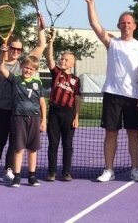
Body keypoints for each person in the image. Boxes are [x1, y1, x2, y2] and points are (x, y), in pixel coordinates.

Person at [85, 0, 138, 182]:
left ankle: (136, 169)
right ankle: (108, 170)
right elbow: (95, 25)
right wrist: (91, 3)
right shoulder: (112, 42)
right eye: (123, 22)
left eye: (129, 22)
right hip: (112, 94)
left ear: (135, 26)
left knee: (134, 134)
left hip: (133, 96)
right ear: (118, 26)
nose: (126, 25)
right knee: (111, 133)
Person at [0, 20, 46, 186]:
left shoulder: (24, 65)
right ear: (8, 47)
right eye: (13, 48)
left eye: (19, 49)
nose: (16, 51)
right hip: (2, 109)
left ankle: (9, 170)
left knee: (15, 144)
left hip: (20, 113)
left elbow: (41, 45)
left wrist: (41, 28)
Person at [0, 47, 47, 187]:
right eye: (26, 68)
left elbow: (42, 102)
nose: (28, 71)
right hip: (19, 118)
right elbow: (1, 68)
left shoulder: (38, 83)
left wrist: (44, 120)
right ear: (21, 67)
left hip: (35, 118)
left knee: (33, 149)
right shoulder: (15, 79)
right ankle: (17, 176)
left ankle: (32, 176)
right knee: (19, 148)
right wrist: (3, 53)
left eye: (31, 69)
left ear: (35, 70)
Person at [44, 30, 82, 182]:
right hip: (54, 112)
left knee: (68, 145)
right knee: (53, 144)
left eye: (66, 60)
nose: (63, 61)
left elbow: (77, 99)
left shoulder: (76, 80)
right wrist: (51, 41)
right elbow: (49, 58)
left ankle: (66, 172)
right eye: (62, 59)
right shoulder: (56, 73)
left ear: (72, 63)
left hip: (69, 114)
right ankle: (51, 172)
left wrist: (77, 116)